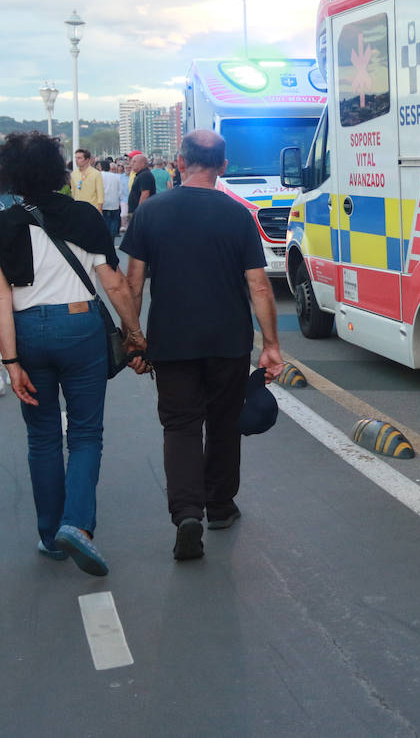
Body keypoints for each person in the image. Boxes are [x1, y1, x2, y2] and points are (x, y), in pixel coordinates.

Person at [121, 130, 284, 561]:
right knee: (224, 422)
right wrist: (270, 345)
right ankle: (220, 506)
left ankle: (186, 513)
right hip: (227, 340)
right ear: (224, 167)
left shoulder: (151, 212)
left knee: (180, 425)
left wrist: (134, 340)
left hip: (171, 339)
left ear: (178, 161)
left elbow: (132, 282)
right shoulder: (237, 215)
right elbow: (260, 286)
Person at [0, 132, 145, 577]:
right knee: (84, 433)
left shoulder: (3, 224)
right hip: (80, 326)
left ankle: (50, 537)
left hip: (26, 330)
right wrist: (135, 334)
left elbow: (1, 299)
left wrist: (11, 362)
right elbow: (114, 284)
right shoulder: (83, 215)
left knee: (41, 436)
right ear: (59, 168)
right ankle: (76, 524)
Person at [69, 148, 103, 213]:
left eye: (79, 158)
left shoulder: (96, 174)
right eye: (76, 158)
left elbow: (100, 195)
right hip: (78, 210)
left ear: (87, 160)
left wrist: (99, 211)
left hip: (92, 210)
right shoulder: (73, 174)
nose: (76, 160)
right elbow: (73, 193)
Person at [126, 152, 155, 221]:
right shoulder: (140, 174)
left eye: (134, 162)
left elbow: (145, 194)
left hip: (139, 212)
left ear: (143, 164)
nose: (131, 164)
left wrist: (139, 212)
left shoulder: (144, 175)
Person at [97, 160, 122, 238]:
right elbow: (120, 190)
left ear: (101, 167)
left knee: (104, 223)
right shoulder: (117, 176)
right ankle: (112, 238)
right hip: (114, 203)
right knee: (114, 222)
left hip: (103, 203)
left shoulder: (98, 176)